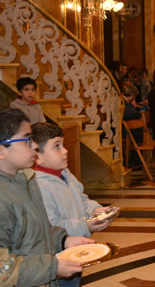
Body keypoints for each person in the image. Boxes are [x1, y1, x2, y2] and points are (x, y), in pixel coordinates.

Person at [0, 108, 94, 286]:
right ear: (1, 150)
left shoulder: (26, 178)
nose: (34, 146)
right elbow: (3, 269)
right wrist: (52, 268)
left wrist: (63, 240)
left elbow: (37, 228)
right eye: (27, 140)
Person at [32, 122, 114, 286]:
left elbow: (81, 199)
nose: (65, 150)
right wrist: (85, 226)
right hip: (58, 260)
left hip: (75, 250)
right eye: (57, 146)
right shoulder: (39, 186)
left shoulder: (64, 172)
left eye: (63, 144)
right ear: (37, 156)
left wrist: (97, 209)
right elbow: (52, 226)